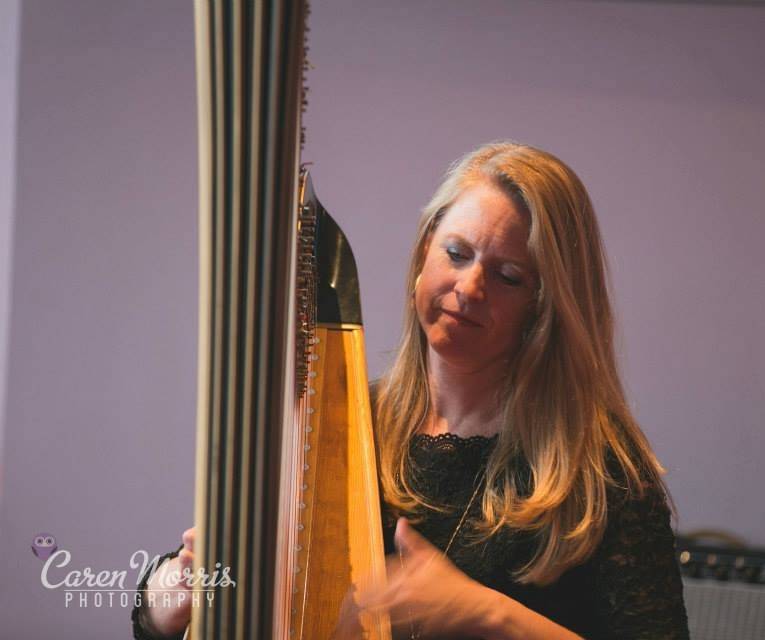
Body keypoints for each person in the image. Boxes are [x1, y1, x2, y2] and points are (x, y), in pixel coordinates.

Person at [132, 141, 689, 639]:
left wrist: (484, 613)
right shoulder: (338, 423)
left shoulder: (602, 473)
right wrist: (176, 591)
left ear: (545, 307)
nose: (469, 288)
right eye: (456, 253)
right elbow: (171, 610)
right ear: (424, 252)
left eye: (508, 276)